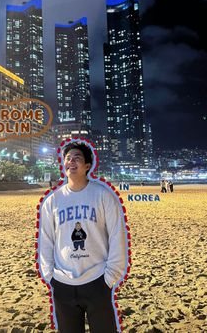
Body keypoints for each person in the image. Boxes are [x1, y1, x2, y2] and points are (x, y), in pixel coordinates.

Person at [39, 141, 127, 333]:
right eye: (68, 158)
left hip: (97, 280)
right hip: (62, 283)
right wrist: (49, 276)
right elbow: (46, 241)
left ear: (88, 166)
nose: (71, 161)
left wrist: (110, 276)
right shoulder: (53, 201)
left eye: (77, 158)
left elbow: (117, 236)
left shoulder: (103, 195)